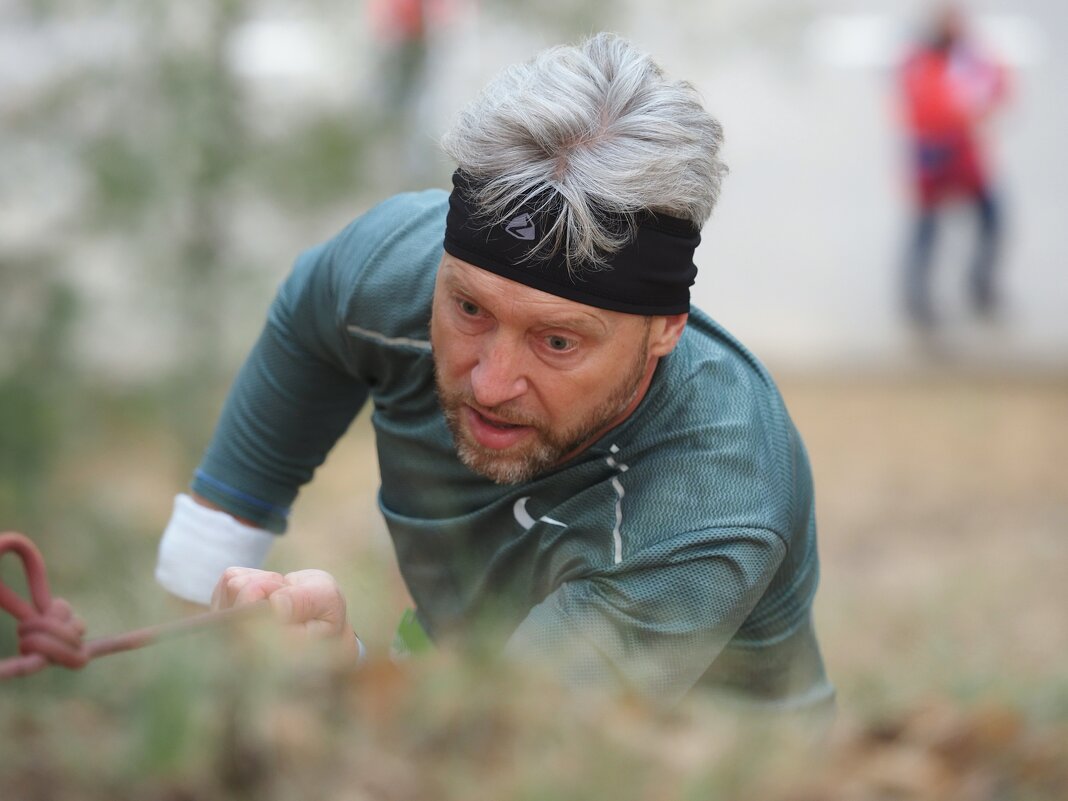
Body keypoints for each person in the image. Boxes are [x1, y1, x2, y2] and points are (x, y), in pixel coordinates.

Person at [155, 33, 833, 711]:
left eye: (558, 342)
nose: (488, 382)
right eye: (470, 308)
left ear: (664, 330)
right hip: (455, 676)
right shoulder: (383, 279)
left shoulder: (711, 503)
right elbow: (205, 560)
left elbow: (493, 755)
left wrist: (342, 672)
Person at [898, 4, 1009, 327]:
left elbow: (998, 88)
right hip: (933, 160)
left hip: (965, 159)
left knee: (992, 221)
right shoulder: (920, 61)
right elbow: (924, 109)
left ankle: (980, 284)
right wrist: (965, 109)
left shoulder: (970, 59)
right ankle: (917, 300)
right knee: (926, 232)